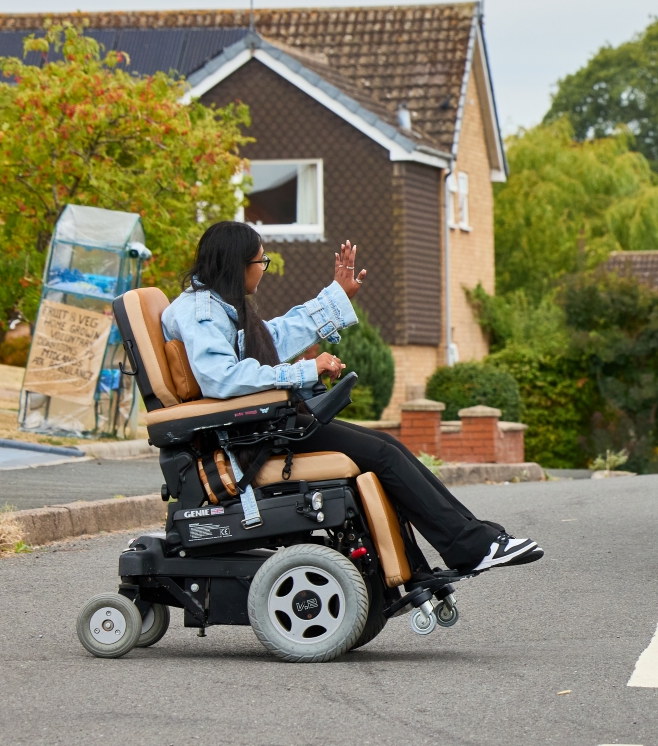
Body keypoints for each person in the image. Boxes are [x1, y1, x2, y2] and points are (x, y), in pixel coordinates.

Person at [161, 220, 542, 575]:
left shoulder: (214, 306)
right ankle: (471, 546)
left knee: (384, 446)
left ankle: (474, 540)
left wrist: (335, 298)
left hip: (259, 426)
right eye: (261, 261)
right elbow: (221, 379)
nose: (264, 267)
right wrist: (306, 370)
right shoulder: (202, 312)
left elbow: (272, 338)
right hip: (249, 437)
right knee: (384, 454)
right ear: (236, 265)